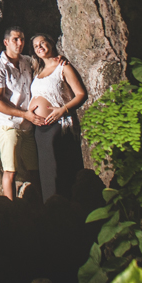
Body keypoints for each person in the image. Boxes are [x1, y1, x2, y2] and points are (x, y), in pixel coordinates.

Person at [0, 26, 49, 200]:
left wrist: (61, 61)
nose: (20, 43)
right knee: (10, 170)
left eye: (22, 39)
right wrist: (25, 114)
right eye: (15, 39)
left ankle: (39, 206)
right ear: (6, 42)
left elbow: (46, 61)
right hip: (9, 125)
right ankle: (11, 209)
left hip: (28, 126)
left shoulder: (27, 61)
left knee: (34, 169)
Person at [28, 33, 87, 202]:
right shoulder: (37, 71)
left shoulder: (63, 67)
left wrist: (63, 110)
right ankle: (52, 212)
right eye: (36, 46)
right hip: (41, 130)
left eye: (42, 43)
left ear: (51, 44)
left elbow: (81, 94)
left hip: (60, 126)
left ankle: (69, 211)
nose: (39, 47)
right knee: (48, 174)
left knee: (63, 170)